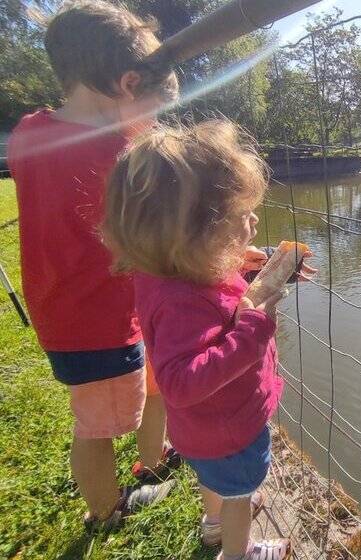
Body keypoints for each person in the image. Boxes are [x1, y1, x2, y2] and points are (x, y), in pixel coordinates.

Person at [102, 119, 315, 560]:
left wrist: (243, 267)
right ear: (196, 235)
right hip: (230, 429)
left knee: (215, 479)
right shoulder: (181, 301)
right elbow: (180, 382)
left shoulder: (169, 269)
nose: (254, 221)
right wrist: (254, 328)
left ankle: (214, 520)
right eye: (239, 218)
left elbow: (212, 295)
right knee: (241, 495)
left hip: (205, 434)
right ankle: (238, 549)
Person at [6, 1, 180, 531]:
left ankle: (154, 461)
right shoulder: (113, 157)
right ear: (128, 84)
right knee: (98, 428)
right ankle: (105, 512)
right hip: (96, 323)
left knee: (152, 383)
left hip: (69, 307)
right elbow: (140, 244)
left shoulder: (29, 130)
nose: (152, 123)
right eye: (153, 107)